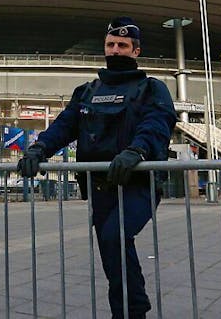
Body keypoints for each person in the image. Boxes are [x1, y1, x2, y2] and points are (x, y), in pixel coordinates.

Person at [17, 17, 177, 319]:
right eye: (110, 44)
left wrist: (136, 150)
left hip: (137, 184)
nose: (115, 50)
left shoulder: (152, 89)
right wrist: (38, 149)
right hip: (101, 188)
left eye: (123, 45)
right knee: (111, 252)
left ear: (136, 51)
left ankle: (135, 310)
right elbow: (63, 127)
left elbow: (157, 124)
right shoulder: (86, 92)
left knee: (114, 237)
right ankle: (125, 311)